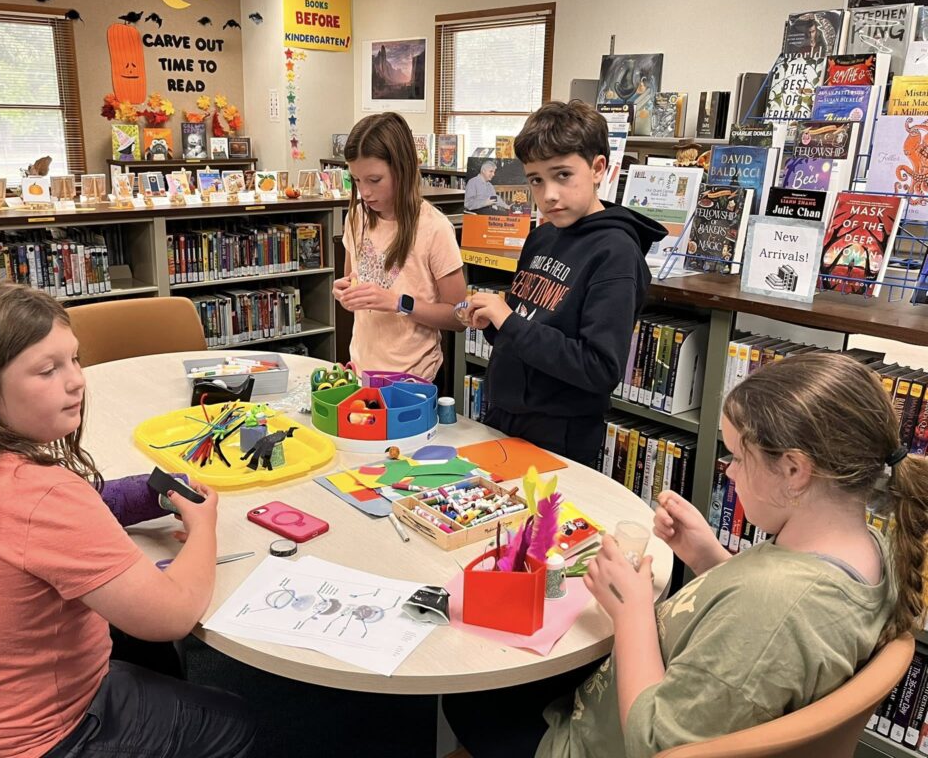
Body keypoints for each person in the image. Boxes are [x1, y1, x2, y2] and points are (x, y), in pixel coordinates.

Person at [448, 352, 924, 757]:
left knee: (466, 696)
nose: (729, 472)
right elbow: (757, 638)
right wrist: (709, 557)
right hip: (635, 695)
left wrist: (632, 610)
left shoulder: (776, 608)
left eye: (738, 456)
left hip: (591, 742)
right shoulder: (867, 549)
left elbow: (655, 744)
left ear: (796, 470)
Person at [0, 280, 256, 758]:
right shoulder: (41, 494)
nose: (76, 381)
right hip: (36, 741)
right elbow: (172, 615)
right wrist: (204, 527)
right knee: (237, 723)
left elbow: (47, 523)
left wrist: (146, 494)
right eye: (48, 370)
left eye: (74, 359)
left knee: (130, 641)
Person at [461, 100, 666, 464]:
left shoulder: (615, 252)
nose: (548, 194)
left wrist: (508, 321)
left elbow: (599, 367)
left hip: (560, 432)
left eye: (563, 175)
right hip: (503, 416)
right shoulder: (544, 235)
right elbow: (528, 326)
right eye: (536, 180)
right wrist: (492, 321)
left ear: (598, 168)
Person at [332, 112, 467, 381]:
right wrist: (345, 290)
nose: (365, 192)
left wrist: (397, 302)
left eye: (374, 180)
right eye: (356, 180)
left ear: (402, 169)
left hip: (414, 379)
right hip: (362, 371)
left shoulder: (433, 227)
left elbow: (459, 316)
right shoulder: (356, 217)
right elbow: (352, 280)